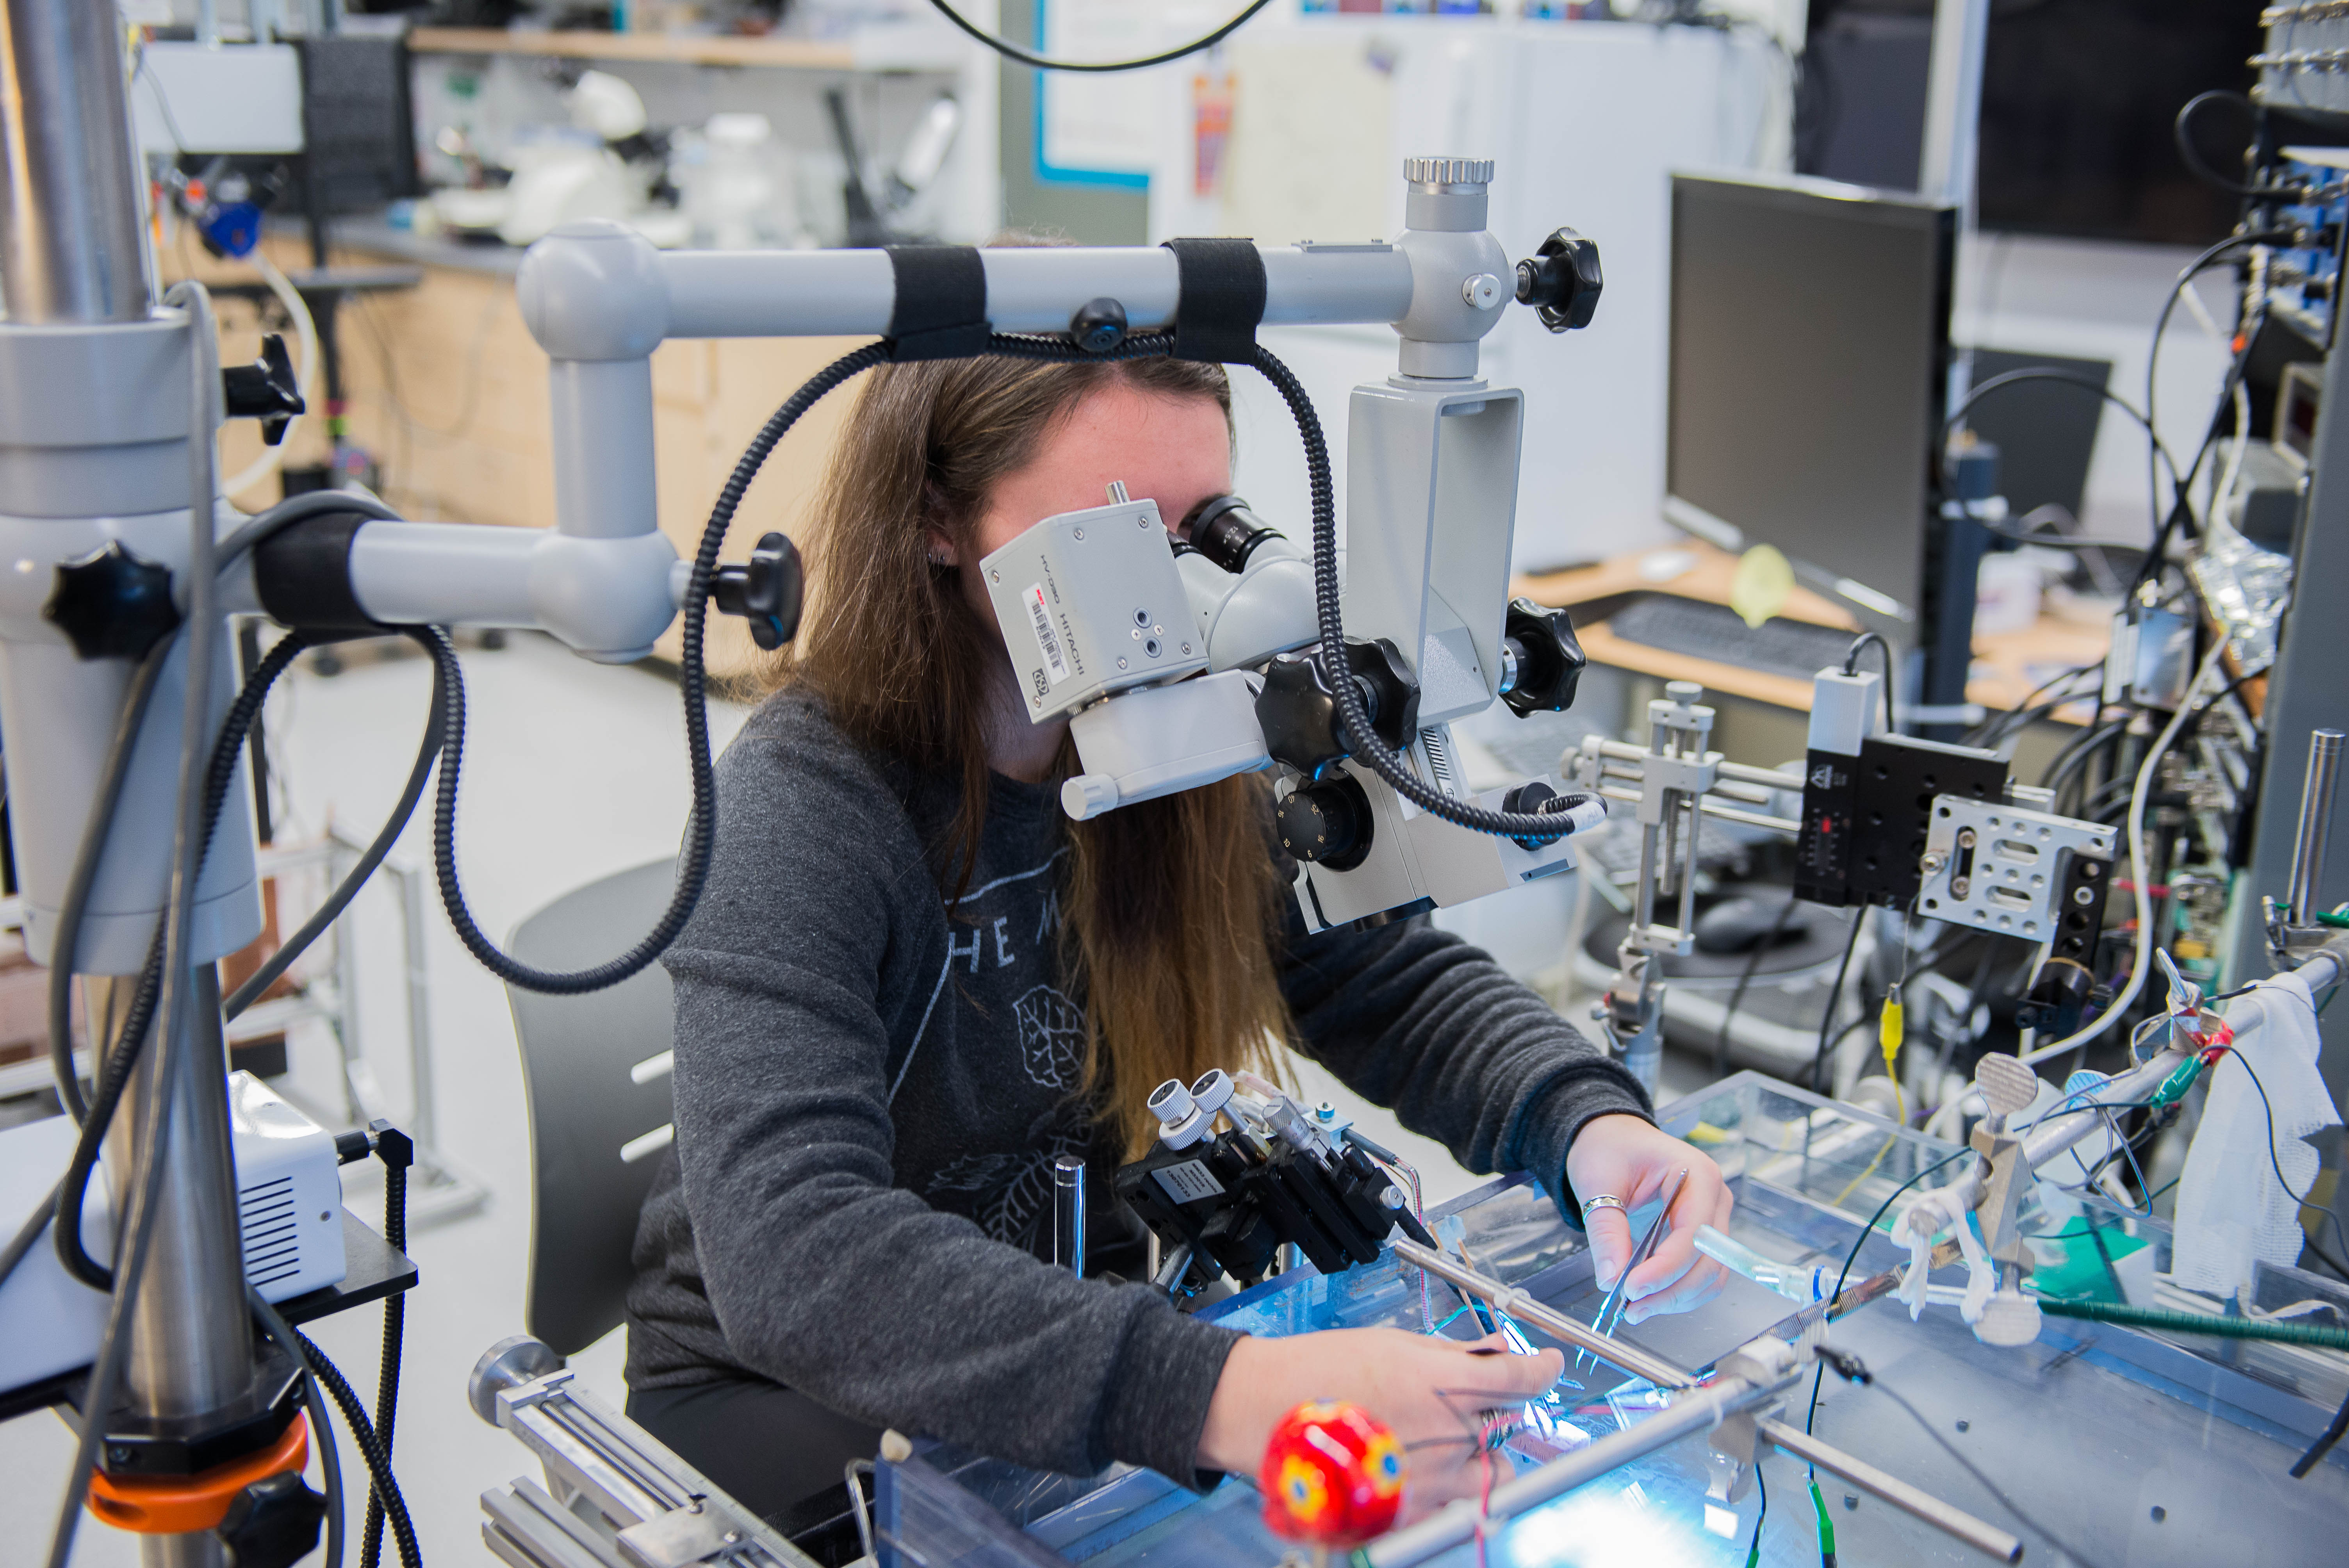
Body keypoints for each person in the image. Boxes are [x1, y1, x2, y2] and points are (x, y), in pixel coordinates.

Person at [623, 347, 1732, 1547]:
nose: (1167, 593)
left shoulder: (1172, 745)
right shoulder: (806, 803)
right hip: (783, 1390)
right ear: (939, 521)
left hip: (1069, 1324)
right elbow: (800, 1252)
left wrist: (1584, 1121)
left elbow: (1374, 973)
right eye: (1108, 532)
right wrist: (1223, 1394)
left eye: (1200, 532)